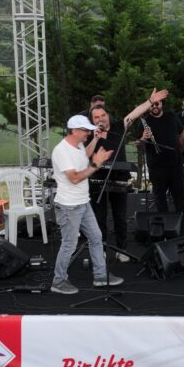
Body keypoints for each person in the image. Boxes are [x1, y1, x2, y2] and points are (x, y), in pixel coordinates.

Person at [50, 115, 125, 295]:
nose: (88, 133)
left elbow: (83, 156)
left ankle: (100, 276)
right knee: (69, 244)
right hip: (69, 206)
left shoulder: (79, 145)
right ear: (74, 131)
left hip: (83, 202)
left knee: (96, 237)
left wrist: (96, 139)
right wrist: (96, 165)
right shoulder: (61, 151)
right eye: (85, 130)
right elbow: (75, 178)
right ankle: (58, 281)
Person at [87, 104, 132, 263]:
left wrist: (150, 101)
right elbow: (85, 155)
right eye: (96, 117)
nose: (100, 119)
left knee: (120, 217)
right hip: (97, 179)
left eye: (103, 115)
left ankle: (121, 249)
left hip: (119, 178)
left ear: (108, 116)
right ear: (92, 120)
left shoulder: (118, 127)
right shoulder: (90, 134)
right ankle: (101, 249)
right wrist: (95, 138)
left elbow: (134, 113)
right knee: (99, 217)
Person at [138, 97, 184, 217]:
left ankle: (181, 223)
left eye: (157, 104)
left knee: (180, 196)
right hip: (156, 167)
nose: (154, 106)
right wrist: (143, 138)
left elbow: (183, 133)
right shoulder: (145, 121)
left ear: (161, 104)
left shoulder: (171, 116)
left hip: (175, 164)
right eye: (152, 105)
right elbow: (138, 144)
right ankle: (164, 224)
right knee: (160, 199)